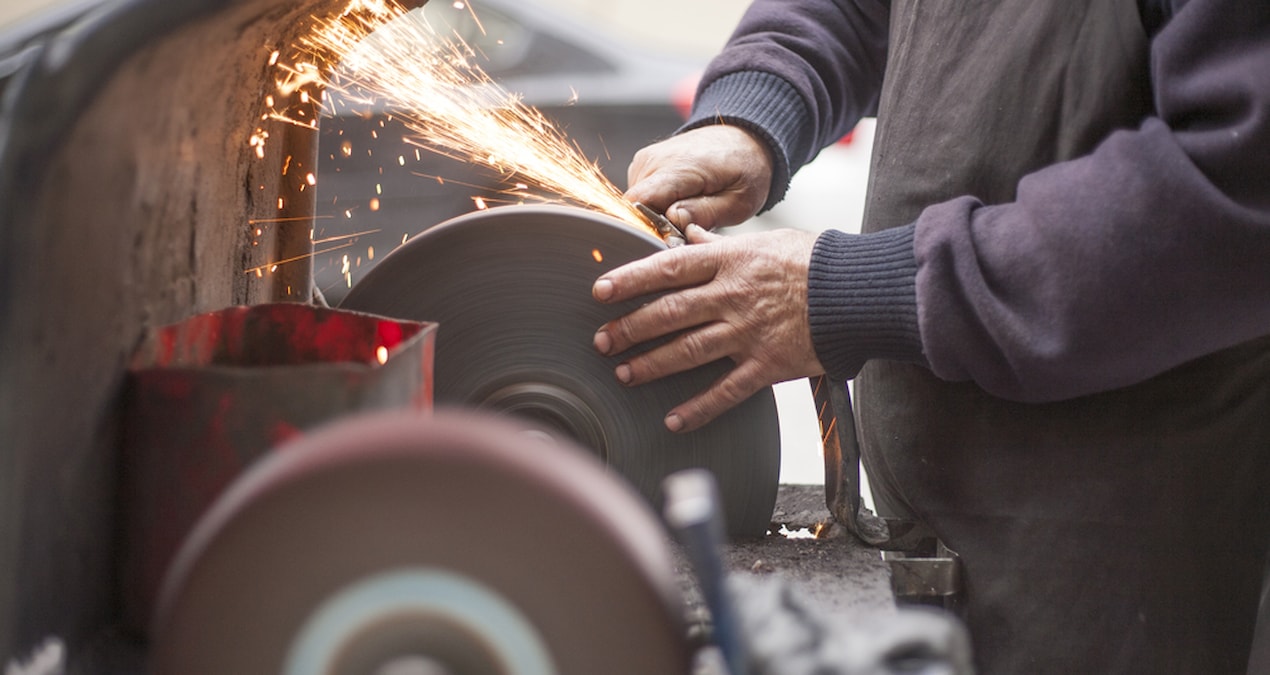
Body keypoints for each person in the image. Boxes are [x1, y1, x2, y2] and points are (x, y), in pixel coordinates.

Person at [589, 0, 1270, 672]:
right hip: (933, 533)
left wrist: (849, 289)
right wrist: (751, 111)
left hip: (1127, 555)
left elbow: (1234, 192)